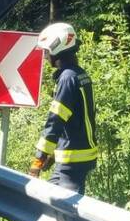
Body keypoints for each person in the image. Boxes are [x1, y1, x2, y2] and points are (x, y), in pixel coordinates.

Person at [27, 22, 98, 192]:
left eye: (46, 51)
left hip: (72, 159)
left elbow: (56, 121)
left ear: (56, 48)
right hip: (74, 155)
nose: (45, 56)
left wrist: (38, 160)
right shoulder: (79, 74)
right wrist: (52, 154)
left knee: (66, 213)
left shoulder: (67, 79)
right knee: (49, 203)